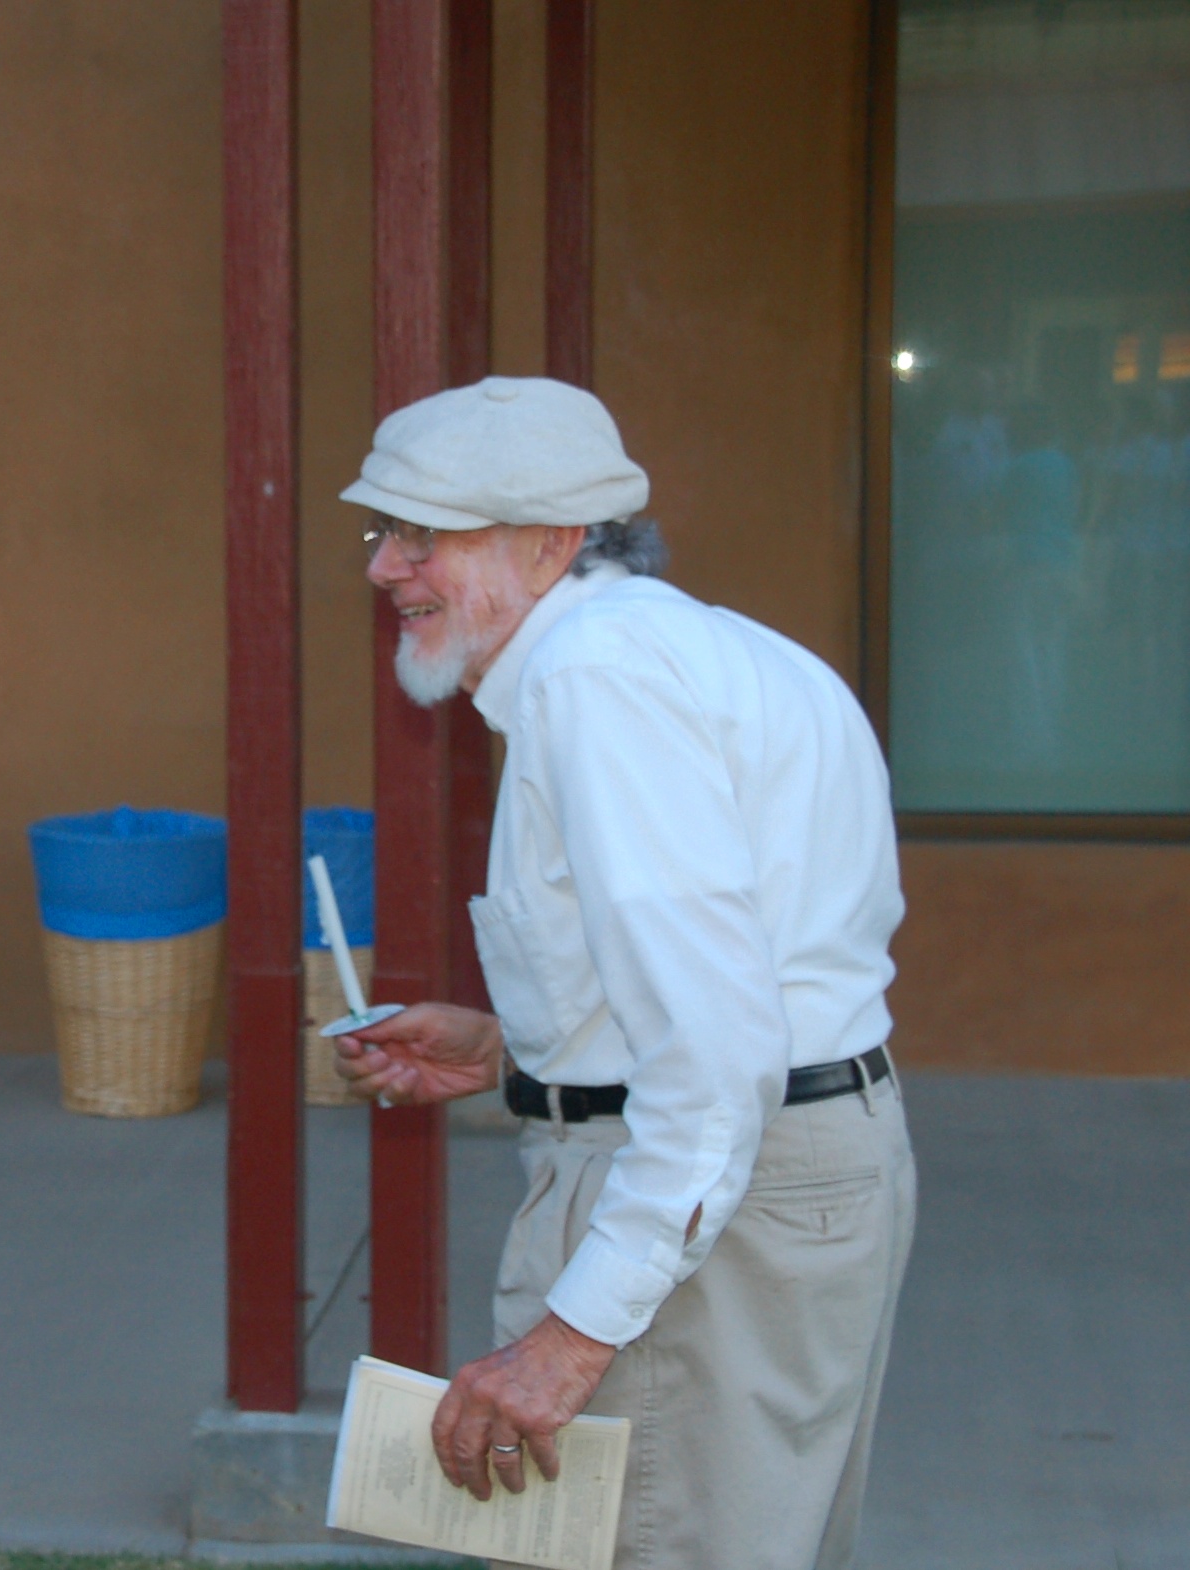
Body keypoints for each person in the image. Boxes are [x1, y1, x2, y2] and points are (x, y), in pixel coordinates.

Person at [330, 377, 914, 1570]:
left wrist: (572, 1337)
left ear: (551, 543)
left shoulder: (596, 679)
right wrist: (511, 1050)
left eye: (424, 533)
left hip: (715, 1191)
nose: (385, 567)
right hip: (781, 1169)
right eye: (381, 529)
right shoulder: (695, 651)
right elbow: (753, 981)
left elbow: (715, 1054)